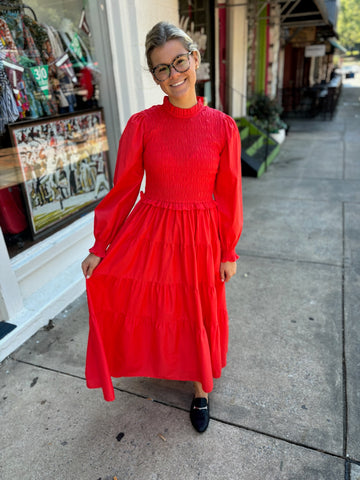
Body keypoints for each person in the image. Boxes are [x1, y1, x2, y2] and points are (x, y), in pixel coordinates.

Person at [81, 21, 243, 433]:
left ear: (195, 59)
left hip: (202, 234)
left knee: (197, 310)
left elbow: (229, 196)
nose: (174, 75)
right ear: (153, 76)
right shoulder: (142, 124)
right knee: (154, 305)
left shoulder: (223, 126)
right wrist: (101, 246)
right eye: (161, 69)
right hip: (153, 229)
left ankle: (200, 390)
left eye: (179, 62)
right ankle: (158, 362)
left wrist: (228, 251)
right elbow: (123, 190)